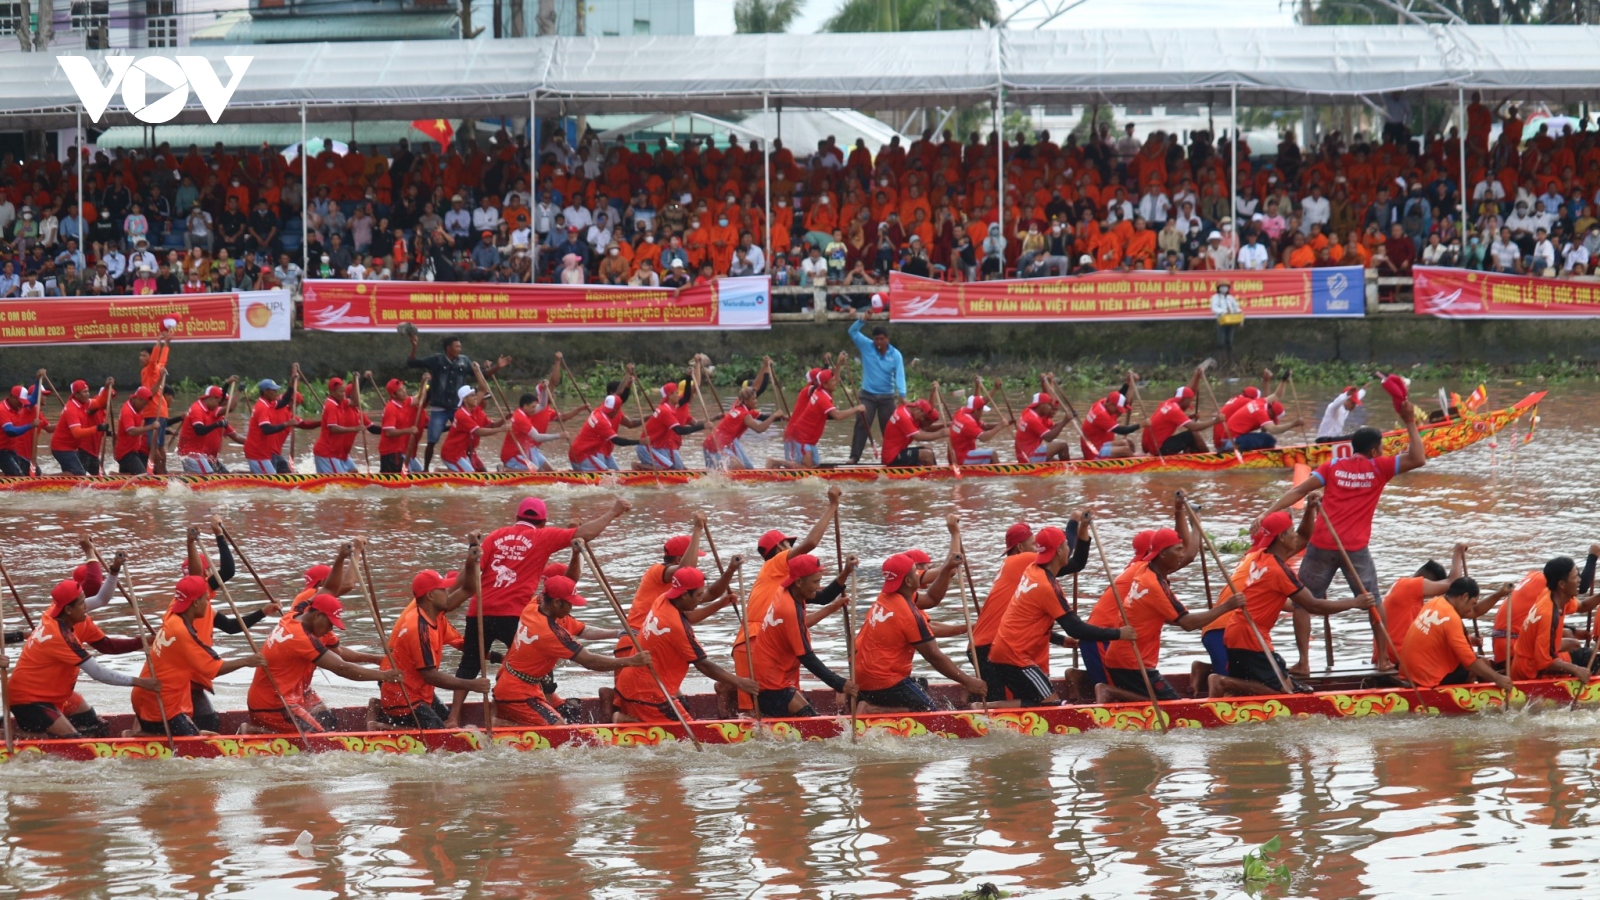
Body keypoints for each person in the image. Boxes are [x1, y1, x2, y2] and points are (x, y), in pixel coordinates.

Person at [445, 496, 629, 726]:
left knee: (469, 664)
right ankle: (535, 710)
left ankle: (453, 718)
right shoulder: (543, 537)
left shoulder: (495, 536)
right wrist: (614, 511)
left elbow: (469, 573)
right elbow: (587, 536)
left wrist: (447, 595)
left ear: (516, 519)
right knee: (536, 660)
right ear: (543, 522)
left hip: (479, 610)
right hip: (515, 614)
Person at [1252, 389, 1428, 632]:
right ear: (1375, 452)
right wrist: (1409, 421)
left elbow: (1299, 490)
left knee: (1303, 604)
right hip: (1354, 547)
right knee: (1374, 602)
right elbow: (1419, 458)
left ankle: (1303, 663)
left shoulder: (1332, 465)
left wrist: (1266, 512)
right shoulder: (1380, 467)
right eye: (1383, 448)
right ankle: (1384, 659)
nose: (1384, 452)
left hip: (1322, 543)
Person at [1203, 503, 1375, 697]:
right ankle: (1221, 682)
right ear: (1282, 538)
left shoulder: (1259, 555)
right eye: (1291, 531)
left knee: (1262, 687)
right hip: (1251, 636)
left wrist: (1308, 509)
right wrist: (1355, 603)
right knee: (1284, 693)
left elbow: (1302, 539)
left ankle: (1225, 691)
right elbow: (1313, 605)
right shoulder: (1279, 571)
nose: (1295, 536)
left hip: (1237, 631)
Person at [1083, 497, 1239, 703]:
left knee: (1141, 700)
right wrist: (1227, 606)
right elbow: (1187, 623)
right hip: (1110, 642)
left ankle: (1084, 682)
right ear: (1159, 553)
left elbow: (1182, 550)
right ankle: (1109, 692)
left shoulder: (1143, 569)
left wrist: (1180, 511)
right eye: (1176, 550)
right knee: (1170, 706)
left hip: (1120, 646)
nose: (1181, 555)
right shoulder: (1151, 581)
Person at [721, 485, 842, 716]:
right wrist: (832, 506)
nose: (794, 551)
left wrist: (842, 583)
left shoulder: (789, 586)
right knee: (755, 713)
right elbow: (811, 544)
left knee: (784, 704)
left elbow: (822, 598)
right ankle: (729, 691)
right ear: (779, 548)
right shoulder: (775, 564)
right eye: (789, 546)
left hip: (772, 645)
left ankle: (728, 687)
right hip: (755, 642)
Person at [984, 522, 1135, 707]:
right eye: (1065, 545)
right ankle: (984, 710)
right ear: (1058, 551)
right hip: (1014, 656)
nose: (1068, 548)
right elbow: (1076, 628)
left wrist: (1083, 531)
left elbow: (1078, 562)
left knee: (1036, 702)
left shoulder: (1034, 569)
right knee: (1050, 705)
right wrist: (1119, 634)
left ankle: (990, 712)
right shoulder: (1045, 585)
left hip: (1006, 651)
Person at [8, 574, 160, 738]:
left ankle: (41, 733)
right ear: (68, 610)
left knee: (97, 727)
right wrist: (140, 682)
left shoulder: (57, 611)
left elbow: (101, 601)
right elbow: (97, 673)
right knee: (74, 742)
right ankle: (22, 736)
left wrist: (115, 571)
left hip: (56, 694)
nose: (86, 607)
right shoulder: (61, 637)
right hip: (28, 700)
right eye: (82, 603)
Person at [492, 575, 652, 726]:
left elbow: (584, 630)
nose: (571, 608)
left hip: (513, 681)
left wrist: (616, 633)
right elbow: (590, 661)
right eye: (569, 603)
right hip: (517, 692)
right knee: (558, 730)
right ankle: (498, 726)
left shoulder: (535, 605)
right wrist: (630, 661)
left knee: (565, 712)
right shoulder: (550, 633)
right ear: (556, 603)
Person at [613, 567, 760, 724]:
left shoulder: (663, 599)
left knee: (681, 718)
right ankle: (625, 720)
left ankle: (629, 717)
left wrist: (719, 604)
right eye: (698, 595)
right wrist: (740, 682)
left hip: (632, 684)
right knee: (692, 738)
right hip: (648, 693)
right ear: (684, 595)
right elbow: (704, 665)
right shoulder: (675, 627)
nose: (700, 599)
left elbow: (687, 617)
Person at [970, 516, 1091, 701]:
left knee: (1008, 701)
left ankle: (972, 698)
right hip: (989, 646)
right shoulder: (1024, 561)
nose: (1039, 549)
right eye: (1035, 544)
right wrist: (1074, 524)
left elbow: (1029, 622)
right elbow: (1070, 560)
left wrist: (1059, 640)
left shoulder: (1016, 567)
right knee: (999, 707)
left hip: (986, 644)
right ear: (1020, 548)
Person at [241, 593, 397, 734]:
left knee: (328, 721)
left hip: (292, 692)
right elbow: (342, 668)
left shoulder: (295, 614)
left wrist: (375, 659)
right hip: (274, 704)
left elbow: (339, 653)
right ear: (318, 616)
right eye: (330, 624)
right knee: (320, 741)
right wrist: (385, 676)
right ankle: (252, 731)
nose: (330, 629)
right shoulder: (301, 638)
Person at [131, 575, 264, 737]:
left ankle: (142, 733)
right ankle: (134, 737)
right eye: (205, 599)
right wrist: (247, 661)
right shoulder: (183, 635)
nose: (208, 603)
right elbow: (214, 668)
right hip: (160, 706)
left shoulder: (172, 614)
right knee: (198, 747)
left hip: (142, 695)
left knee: (201, 733)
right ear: (195, 603)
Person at [852, 552, 986, 713]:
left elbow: (931, 598)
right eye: (916, 571)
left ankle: (869, 702)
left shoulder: (888, 596)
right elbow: (934, 656)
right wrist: (968, 681)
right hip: (881, 683)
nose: (919, 575)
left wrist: (947, 568)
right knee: (927, 710)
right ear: (908, 581)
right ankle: (870, 709)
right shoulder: (907, 615)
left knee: (921, 683)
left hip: (862, 677)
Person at [751, 553, 854, 717]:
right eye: (815, 582)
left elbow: (824, 597)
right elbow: (806, 656)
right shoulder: (788, 610)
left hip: (776, 674)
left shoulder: (788, 590)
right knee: (811, 720)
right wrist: (840, 684)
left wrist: (846, 571)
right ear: (799, 582)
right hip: (771, 681)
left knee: (805, 717)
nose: (818, 586)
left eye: (819, 581)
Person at [404, 332, 511, 471]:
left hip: (457, 406)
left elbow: (484, 377)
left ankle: (464, 461)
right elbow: (412, 363)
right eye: (457, 346)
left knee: (467, 434)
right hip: (439, 408)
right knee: (432, 440)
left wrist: (497, 366)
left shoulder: (464, 360)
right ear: (448, 348)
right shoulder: (437, 359)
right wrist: (414, 347)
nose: (460, 349)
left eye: (460, 346)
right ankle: (426, 470)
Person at [1398, 576, 1513, 692]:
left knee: (1482, 662)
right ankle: (1482, 701)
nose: (1470, 609)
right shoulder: (1451, 618)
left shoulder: (1435, 602)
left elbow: (1475, 611)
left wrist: (1500, 594)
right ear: (1464, 597)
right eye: (1472, 603)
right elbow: (1470, 662)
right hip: (1426, 678)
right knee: (1478, 667)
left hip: (1408, 672)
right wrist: (1498, 678)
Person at [1511, 557, 1599, 681]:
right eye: (1575, 577)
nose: (1580, 580)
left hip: (1531, 659)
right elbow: (1545, 662)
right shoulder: (1548, 614)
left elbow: (1584, 606)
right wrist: (1576, 669)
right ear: (1562, 584)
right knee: (1592, 660)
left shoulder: (1553, 594)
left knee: (1575, 646)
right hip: (1530, 670)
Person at [846, 309, 907, 465]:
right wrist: (863, 319)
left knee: (890, 429)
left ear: (887, 339)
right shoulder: (867, 346)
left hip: (887, 397)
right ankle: (854, 457)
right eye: (876, 339)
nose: (878, 343)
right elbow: (852, 332)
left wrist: (902, 394)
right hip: (868, 395)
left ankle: (892, 458)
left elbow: (900, 375)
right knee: (862, 423)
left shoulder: (896, 355)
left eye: (881, 339)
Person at [778, 367, 861, 469]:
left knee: (814, 467)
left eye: (835, 380)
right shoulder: (821, 397)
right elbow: (837, 416)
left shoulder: (819, 390)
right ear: (824, 384)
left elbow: (835, 380)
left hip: (809, 438)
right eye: (832, 381)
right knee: (807, 469)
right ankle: (775, 462)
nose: (836, 383)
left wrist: (839, 363)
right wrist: (856, 409)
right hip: (801, 436)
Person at [704, 372, 785, 470]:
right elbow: (759, 429)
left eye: (756, 398)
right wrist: (774, 415)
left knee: (748, 468)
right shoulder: (744, 415)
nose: (756, 401)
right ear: (746, 401)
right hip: (714, 446)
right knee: (739, 470)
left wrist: (783, 417)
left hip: (726, 444)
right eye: (754, 399)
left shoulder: (739, 406)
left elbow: (764, 417)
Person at [566, 373, 642, 473]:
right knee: (608, 477)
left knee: (616, 474)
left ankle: (580, 471)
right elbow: (618, 441)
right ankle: (578, 473)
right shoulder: (602, 421)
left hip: (588, 452)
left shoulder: (602, 408)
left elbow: (619, 393)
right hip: (581, 455)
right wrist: (640, 442)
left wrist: (627, 379)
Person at [244, 376, 312, 475]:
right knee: (272, 484)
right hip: (257, 453)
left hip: (263, 453)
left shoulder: (269, 404)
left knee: (276, 477)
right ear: (266, 391)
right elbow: (267, 429)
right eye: (274, 390)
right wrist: (287, 423)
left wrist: (292, 383)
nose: (277, 393)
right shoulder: (262, 407)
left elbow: (284, 400)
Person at [1142, 368, 1218, 456]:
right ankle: (1210, 459)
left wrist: (1196, 377)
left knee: (1188, 437)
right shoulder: (1175, 410)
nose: (1189, 405)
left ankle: (1193, 455)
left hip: (1150, 446)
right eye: (1189, 402)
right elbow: (1193, 427)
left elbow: (1189, 391)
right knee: (1193, 435)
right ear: (1184, 400)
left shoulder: (1168, 402)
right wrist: (1215, 421)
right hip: (1159, 449)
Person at [49, 377, 113, 476]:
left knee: (79, 473)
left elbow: (100, 402)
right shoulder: (72, 409)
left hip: (72, 448)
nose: (87, 394)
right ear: (76, 394)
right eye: (84, 392)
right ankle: (45, 477)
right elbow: (77, 433)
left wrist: (106, 387)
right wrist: (97, 428)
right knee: (79, 474)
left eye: (88, 391)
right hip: (61, 448)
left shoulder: (86, 403)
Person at [175, 382, 241, 474]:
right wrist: (217, 424)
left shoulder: (206, 410)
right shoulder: (197, 409)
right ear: (211, 398)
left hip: (198, 453)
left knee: (213, 476)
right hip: (190, 453)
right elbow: (199, 430)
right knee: (210, 477)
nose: (218, 406)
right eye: (218, 403)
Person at [438, 383, 506, 473]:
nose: (476, 398)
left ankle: (445, 471)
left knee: (478, 473)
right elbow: (478, 432)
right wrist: (501, 429)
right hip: (451, 453)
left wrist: (504, 420)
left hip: (462, 452)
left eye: (475, 395)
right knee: (471, 475)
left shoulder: (474, 411)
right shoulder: (462, 414)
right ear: (465, 399)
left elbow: (483, 388)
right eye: (472, 396)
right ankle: (440, 472)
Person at [501, 385, 568, 472]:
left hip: (523, 451)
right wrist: (559, 435)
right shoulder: (520, 418)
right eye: (533, 407)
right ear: (525, 406)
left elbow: (543, 406)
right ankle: (506, 470)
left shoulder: (526, 411)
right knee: (537, 472)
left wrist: (544, 390)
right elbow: (537, 437)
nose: (535, 409)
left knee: (549, 470)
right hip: (511, 456)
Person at [639, 379, 702, 471]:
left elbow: (687, 396)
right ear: (670, 395)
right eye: (676, 393)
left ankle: (653, 469)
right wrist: (703, 426)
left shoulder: (672, 406)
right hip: (646, 447)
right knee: (672, 470)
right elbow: (679, 430)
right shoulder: (666, 411)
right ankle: (640, 466)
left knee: (680, 470)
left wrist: (688, 376)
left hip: (657, 446)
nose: (678, 396)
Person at [138, 328, 173, 473]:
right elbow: (163, 359)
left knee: (153, 446)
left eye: (144, 355)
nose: (141, 358)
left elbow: (155, 360)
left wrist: (159, 342)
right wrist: (166, 344)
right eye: (140, 355)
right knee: (159, 446)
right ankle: (163, 471)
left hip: (154, 411)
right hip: (161, 410)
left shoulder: (151, 368)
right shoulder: (158, 367)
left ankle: (160, 474)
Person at [378, 376, 428, 474]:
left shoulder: (405, 401)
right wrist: (409, 430)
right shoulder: (391, 408)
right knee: (399, 481)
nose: (404, 391)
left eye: (403, 388)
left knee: (419, 471)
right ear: (394, 395)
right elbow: (389, 432)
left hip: (400, 451)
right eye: (400, 390)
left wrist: (423, 383)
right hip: (390, 452)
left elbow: (419, 399)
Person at [1078, 385, 1140, 460]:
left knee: (1128, 443)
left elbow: (1117, 396)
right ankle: (1137, 466)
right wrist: (1140, 425)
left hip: (1099, 444)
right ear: (1110, 404)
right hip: (1094, 451)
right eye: (1117, 410)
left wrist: (1127, 384)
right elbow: (1120, 430)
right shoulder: (1101, 414)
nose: (1118, 412)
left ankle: (1130, 460)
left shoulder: (1103, 402)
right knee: (1125, 450)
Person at [947, 394, 1011, 465]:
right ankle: (1001, 475)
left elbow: (985, 426)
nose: (982, 413)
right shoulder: (968, 422)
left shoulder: (962, 411)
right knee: (992, 454)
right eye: (981, 410)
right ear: (976, 410)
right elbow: (983, 438)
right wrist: (1000, 426)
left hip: (953, 456)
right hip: (961, 458)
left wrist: (1003, 423)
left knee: (987, 455)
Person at [880, 396, 945, 467]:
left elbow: (926, 427)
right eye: (923, 416)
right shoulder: (904, 417)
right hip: (892, 457)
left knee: (928, 449)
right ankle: (932, 476)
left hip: (899, 451)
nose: (922, 419)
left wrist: (946, 425)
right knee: (927, 454)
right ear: (918, 409)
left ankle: (933, 472)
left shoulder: (909, 409)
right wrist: (942, 433)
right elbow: (918, 437)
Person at [1014, 389, 1073, 463]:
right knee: (1063, 446)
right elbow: (1049, 438)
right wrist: (1065, 421)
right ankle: (1069, 469)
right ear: (1041, 405)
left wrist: (1068, 419)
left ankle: (1063, 465)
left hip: (1023, 456)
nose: (1050, 408)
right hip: (1030, 457)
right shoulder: (1032, 419)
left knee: (1055, 461)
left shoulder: (1027, 411)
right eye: (1048, 405)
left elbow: (1053, 427)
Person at [113, 386, 160, 475]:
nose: (145, 406)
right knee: (143, 476)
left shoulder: (137, 408)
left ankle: (114, 476)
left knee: (128, 478)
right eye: (144, 404)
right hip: (126, 453)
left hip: (133, 451)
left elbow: (152, 392)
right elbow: (131, 432)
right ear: (138, 399)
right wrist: (151, 427)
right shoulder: (127, 411)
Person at [1210, 282, 1242, 352]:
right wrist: (1224, 311)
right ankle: (1219, 356)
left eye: (1226, 287)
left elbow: (1236, 307)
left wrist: (1239, 312)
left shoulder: (1230, 297)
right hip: (1221, 320)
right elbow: (1214, 308)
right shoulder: (1215, 297)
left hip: (1231, 320)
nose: (1224, 288)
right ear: (1218, 288)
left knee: (1230, 341)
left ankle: (1229, 358)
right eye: (1222, 287)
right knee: (1220, 341)